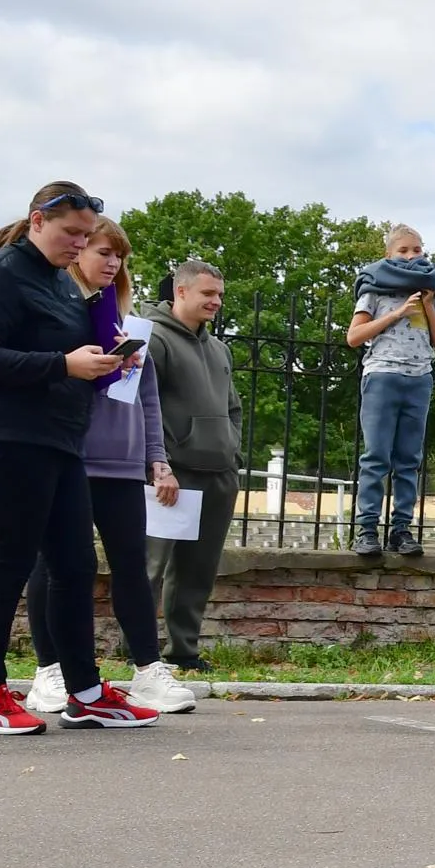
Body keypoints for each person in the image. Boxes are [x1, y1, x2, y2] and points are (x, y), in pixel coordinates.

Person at [0, 182, 159, 733]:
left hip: (61, 440)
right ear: (38, 221)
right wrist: (62, 365)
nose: (79, 244)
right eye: (72, 233)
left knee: (75, 566)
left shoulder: (62, 286)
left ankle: (85, 693)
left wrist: (101, 366)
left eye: (86, 236)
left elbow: (64, 360)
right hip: (5, 438)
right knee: (8, 563)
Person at [23, 218, 195, 715]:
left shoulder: (131, 324)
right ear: (76, 253)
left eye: (119, 256)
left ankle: (147, 670)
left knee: (131, 570)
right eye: (104, 251)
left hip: (120, 464)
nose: (113, 263)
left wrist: (157, 460)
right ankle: (49, 671)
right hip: (68, 455)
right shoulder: (57, 314)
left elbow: (148, 400)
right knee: (52, 567)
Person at [142, 260, 241, 674]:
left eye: (219, 294)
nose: (216, 301)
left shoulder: (219, 348)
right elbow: (143, 406)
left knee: (198, 570)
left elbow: (233, 407)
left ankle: (183, 651)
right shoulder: (154, 339)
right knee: (152, 567)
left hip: (219, 472)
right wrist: (160, 462)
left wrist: (232, 452)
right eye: (207, 294)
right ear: (180, 292)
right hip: (173, 475)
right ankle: (140, 652)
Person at [345, 224, 435, 558]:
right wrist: (397, 313)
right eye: (403, 251)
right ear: (388, 255)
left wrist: (430, 308)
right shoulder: (374, 289)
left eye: (416, 250)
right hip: (382, 376)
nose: (411, 256)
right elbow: (354, 337)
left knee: (408, 460)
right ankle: (366, 530)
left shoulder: (431, 292)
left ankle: (401, 529)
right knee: (376, 456)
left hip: (419, 378)